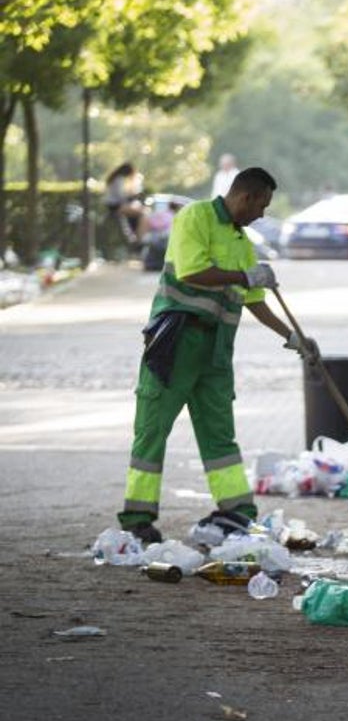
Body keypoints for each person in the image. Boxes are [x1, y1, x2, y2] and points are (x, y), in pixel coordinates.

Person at [116, 167, 320, 545]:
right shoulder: (195, 217)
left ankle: (238, 511)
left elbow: (255, 302)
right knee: (152, 431)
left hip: (215, 352)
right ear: (245, 197)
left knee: (220, 436)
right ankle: (137, 518)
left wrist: (293, 337)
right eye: (261, 205)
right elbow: (192, 272)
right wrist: (245, 277)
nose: (262, 214)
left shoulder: (242, 242)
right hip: (175, 344)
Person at [103, 162, 150, 247]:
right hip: (116, 206)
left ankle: (137, 237)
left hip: (116, 205)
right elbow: (121, 197)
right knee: (143, 213)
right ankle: (139, 240)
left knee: (142, 210)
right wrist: (132, 196)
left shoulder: (116, 179)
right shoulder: (118, 180)